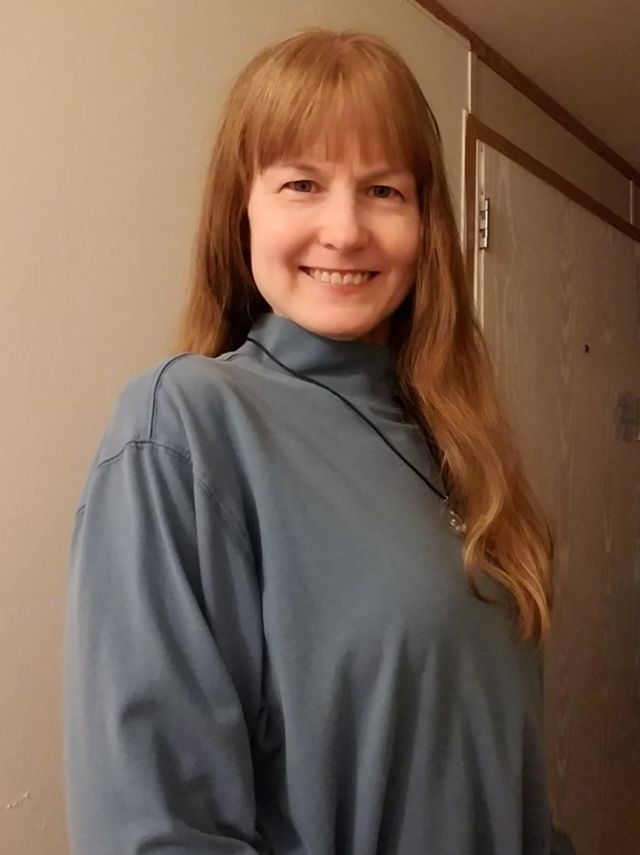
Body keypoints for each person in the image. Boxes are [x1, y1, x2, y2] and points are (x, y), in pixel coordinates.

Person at [63, 26, 577, 855]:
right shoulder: (185, 426)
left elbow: (495, 773)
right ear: (241, 210)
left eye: (383, 190)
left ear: (424, 221)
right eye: (302, 183)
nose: (344, 230)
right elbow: (157, 832)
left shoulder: (459, 443)